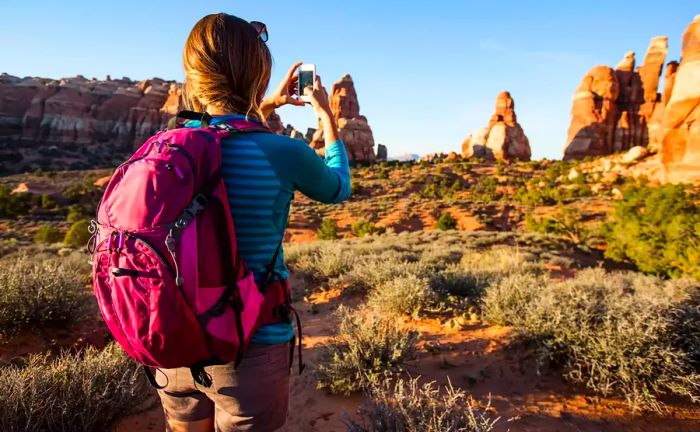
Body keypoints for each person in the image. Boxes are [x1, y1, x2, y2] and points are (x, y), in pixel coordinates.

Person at [155, 13, 351, 432]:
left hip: (171, 339)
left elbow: (218, 131)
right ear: (260, 74)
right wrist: (327, 119)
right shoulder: (282, 152)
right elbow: (337, 187)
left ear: (193, 73)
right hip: (249, 343)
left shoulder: (168, 147)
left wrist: (267, 105)